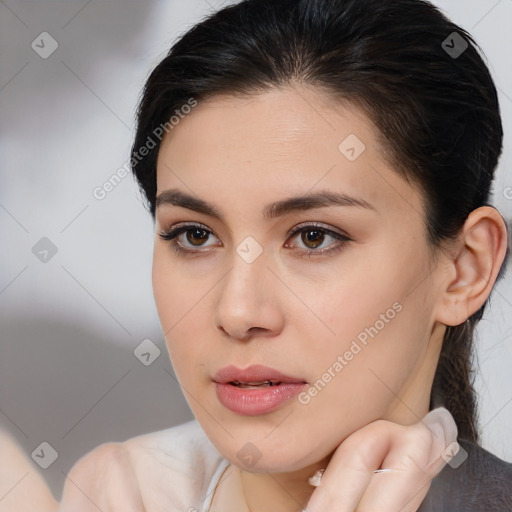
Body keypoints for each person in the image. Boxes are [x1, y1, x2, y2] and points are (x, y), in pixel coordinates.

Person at [58, 0, 512, 510]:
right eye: (194, 235)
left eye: (314, 237)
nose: (238, 312)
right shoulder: (119, 492)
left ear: (464, 270)